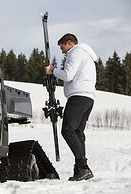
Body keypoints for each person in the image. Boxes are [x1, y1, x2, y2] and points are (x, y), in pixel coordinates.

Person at [45, 33, 97, 181]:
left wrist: (52, 71)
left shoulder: (75, 52)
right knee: (77, 132)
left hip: (78, 96)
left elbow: (68, 75)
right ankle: (80, 170)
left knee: (67, 130)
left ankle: (83, 167)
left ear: (69, 43)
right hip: (88, 98)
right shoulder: (86, 55)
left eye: (62, 46)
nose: (62, 51)